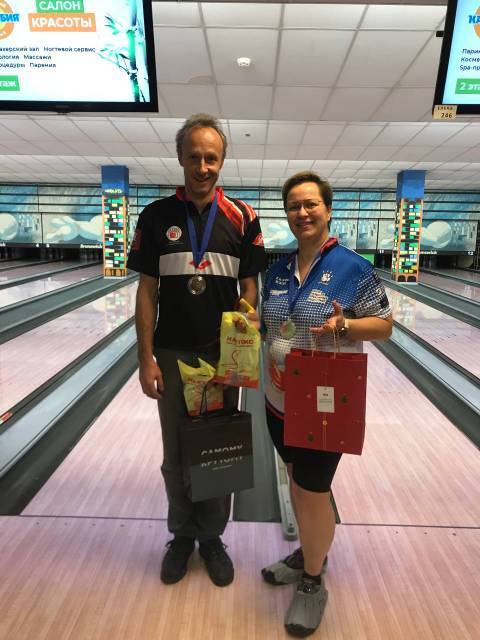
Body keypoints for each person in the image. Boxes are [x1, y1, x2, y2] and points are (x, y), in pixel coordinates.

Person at [127, 114, 266, 588]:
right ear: (181, 158)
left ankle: (212, 538)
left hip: (222, 355)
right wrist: (144, 359)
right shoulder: (156, 216)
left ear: (222, 160)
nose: (202, 167)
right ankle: (181, 536)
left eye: (211, 158)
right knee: (175, 455)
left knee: (218, 452)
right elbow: (147, 292)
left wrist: (246, 321)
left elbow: (250, 286)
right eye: (194, 157)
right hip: (171, 354)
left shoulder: (243, 217)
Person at [259, 171, 392, 637]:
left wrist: (345, 326)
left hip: (324, 405)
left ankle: (313, 581)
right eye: (293, 206)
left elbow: (384, 325)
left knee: (313, 490)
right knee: (298, 485)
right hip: (277, 400)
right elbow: (269, 327)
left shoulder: (353, 267)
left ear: (328, 209)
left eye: (310, 204)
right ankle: (309, 553)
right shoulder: (277, 271)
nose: (302, 212)